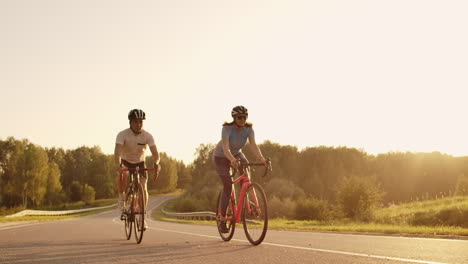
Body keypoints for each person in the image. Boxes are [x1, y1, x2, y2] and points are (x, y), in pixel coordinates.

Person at [212, 105, 267, 233]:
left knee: (246, 170)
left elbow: (253, 145)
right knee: (228, 186)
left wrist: (261, 158)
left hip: (237, 154)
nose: (242, 119)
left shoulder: (249, 129)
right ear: (234, 117)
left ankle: (246, 196)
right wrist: (231, 160)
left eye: (244, 117)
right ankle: (222, 219)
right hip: (221, 157)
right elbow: (226, 148)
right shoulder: (226, 128)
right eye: (239, 117)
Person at [115, 109, 161, 228]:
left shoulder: (147, 136)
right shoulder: (122, 134)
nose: (138, 124)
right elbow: (117, 153)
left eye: (141, 122)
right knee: (123, 175)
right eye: (136, 122)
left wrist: (156, 163)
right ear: (130, 122)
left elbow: (156, 154)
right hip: (125, 161)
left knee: (143, 188)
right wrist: (118, 165)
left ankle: (142, 218)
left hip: (140, 163)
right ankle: (121, 198)